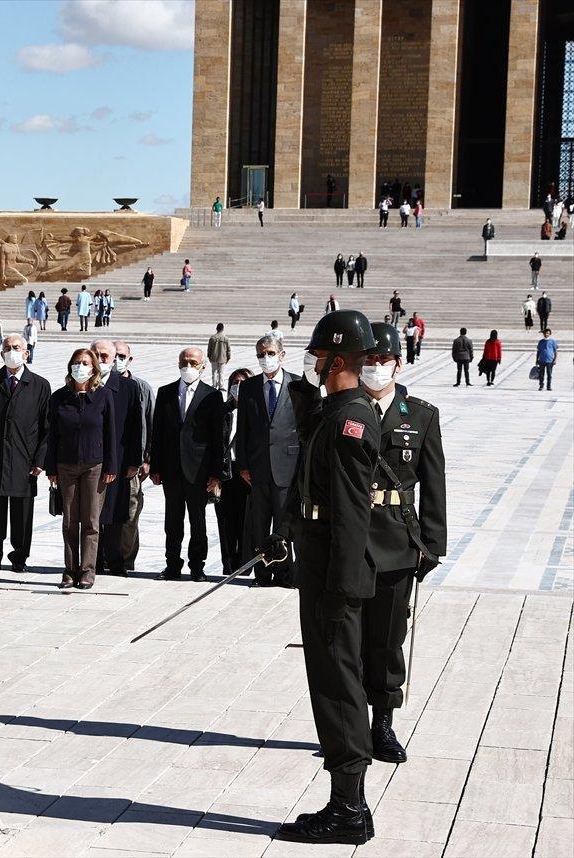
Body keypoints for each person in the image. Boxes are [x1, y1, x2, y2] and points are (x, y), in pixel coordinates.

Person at [267, 310, 381, 846]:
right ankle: (347, 802)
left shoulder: (350, 419)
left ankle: (349, 808)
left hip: (336, 574)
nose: (312, 364)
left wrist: (338, 588)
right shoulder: (335, 412)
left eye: (318, 357)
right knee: (330, 682)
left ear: (338, 360)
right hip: (321, 563)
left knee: (338, 687)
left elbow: (355, 515)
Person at [360, 322, 447, 765]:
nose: (376, 368)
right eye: (370, 360)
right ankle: (351, 726)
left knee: (388, 637)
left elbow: (434, 483)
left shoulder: (421, 415)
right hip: (353, 540)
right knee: (348, 638)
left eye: (384, 360)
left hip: (396, 539)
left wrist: (432, 545)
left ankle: (383, 724)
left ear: (398, 363)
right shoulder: (343, 409)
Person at [0, 333, 51, 574]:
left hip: (24, 461)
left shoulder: (39, 385)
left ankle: (19, 557)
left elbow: (47, 428)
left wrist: (40, 460)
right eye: (7, 347)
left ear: (26, 353)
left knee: (22, 514)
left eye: (16, 347)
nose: (11, 351)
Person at [46, 348, 117, 590]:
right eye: (76, 362)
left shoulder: (103, 396)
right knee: (69, 520)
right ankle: (69, 570)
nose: (81, 367)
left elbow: (110, 433)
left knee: (90, 520)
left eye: (85, 363)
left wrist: (111, 464)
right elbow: (52, 434)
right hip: (66, 465)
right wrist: (50, 467)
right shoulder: (59, 397)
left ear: (94, 368)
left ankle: (87, 570)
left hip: (94, 465)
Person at [150, 346, 223, 582]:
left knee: (197, 521)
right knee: (172, 521)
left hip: (198, 470)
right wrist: (155, 467)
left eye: (192, 362)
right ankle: (172, 564)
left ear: (203, 366)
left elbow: (217, 437)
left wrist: (216, 473)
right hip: (171, 469)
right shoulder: (165, 393)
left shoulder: (211, 396)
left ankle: (197, 565)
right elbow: (157, 433)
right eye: (184, 361)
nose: (188, 366)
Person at [235, 335, 300, 587]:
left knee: (284, 524)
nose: (266, 358)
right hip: (258, 468)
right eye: (261, 354)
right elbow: (243, 429)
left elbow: (303, 429)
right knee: (260, 524)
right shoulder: (249, 387)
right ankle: (262, 574)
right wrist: (242, 464)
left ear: (282, 355)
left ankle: (285, 574)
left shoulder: (297, 385)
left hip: (287, 466)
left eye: (270, 353)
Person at [90, 340, 143, 577]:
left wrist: (134, 460)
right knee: (91, 514)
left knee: (115, 513)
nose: (100, 359)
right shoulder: (83, 384)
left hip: (118, 461)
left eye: (105, 356)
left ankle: (115, 561)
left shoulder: (128, 387)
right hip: (89, 459)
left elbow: (135, 426)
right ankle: (93, 562)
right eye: (96, 355)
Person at [114, 341, 154, 574]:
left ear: (130, 359)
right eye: (114, 355)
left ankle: (126, 560)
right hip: (105, 464)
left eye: (122, 355)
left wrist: (148, 458)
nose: (118, 359)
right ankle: (103, 559)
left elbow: (150, 423)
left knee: (130, 515)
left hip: (133, 466)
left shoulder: (141, 387)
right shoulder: (98, 385)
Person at [217, 368, 252, 575]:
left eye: (243, 382)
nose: (238, 386)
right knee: (226, 522)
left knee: (246, 523)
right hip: (226, 474)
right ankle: (228, 566)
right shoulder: (222, 411)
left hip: (247, 474)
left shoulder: (255, 410)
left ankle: (245, 568)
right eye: (235, 382)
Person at [207, 323, 231, 390]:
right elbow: (228, 349)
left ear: (216, 328)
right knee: (221, 373)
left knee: (214, 372)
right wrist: (228, 357)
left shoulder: (212, 338)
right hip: (223, 358)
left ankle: (214, 385)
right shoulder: (226, 338)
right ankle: (221, 386)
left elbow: (209, 348)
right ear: (223, 329)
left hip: (214, 357)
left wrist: (209, 356)